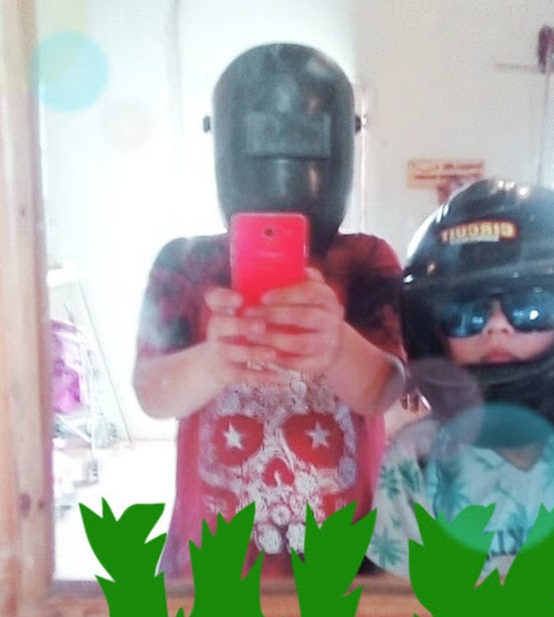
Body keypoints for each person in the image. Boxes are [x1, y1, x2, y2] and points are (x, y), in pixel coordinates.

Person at [133, 43, 406, 578]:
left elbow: (384, 390)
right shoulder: (185, 264)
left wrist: (336, 345)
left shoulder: (367, 259)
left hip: (347, 562)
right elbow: (151, 394)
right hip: (213, 563)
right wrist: (214, 363)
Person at [367, 178, 554, 588]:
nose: (497, 326)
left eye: (531, 308)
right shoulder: (413, 457)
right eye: (465, 314)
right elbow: (396, 595)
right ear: (434, 332)